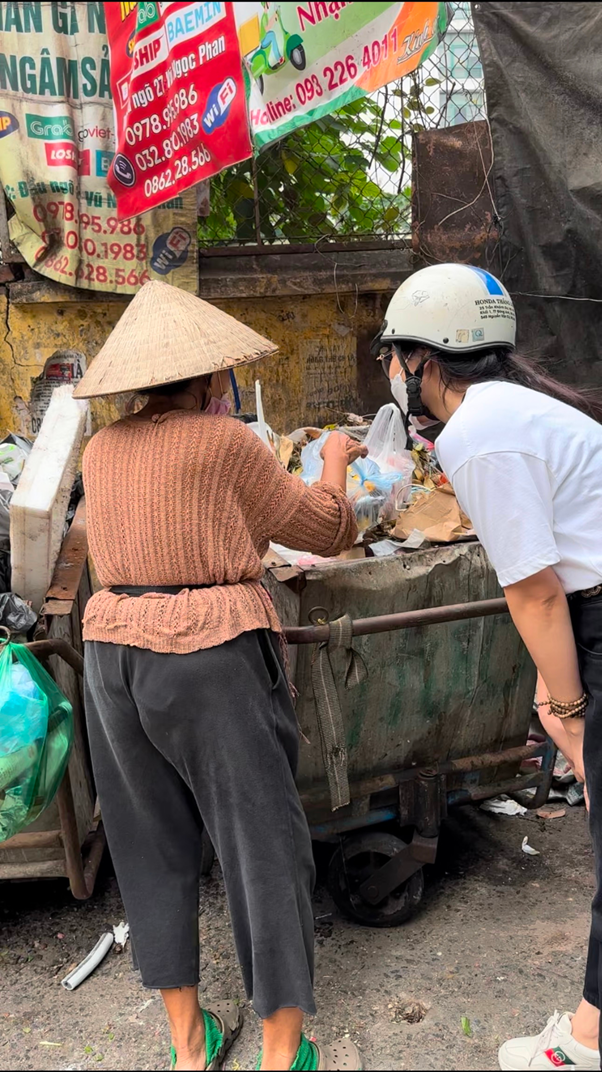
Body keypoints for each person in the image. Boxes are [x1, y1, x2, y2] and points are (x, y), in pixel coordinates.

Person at [73, 280, 364, 1072]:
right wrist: (335, 460)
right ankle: (280, 1049)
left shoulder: (102, 450)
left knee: (150, 845)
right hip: (209, 658)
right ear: (208, 378)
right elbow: (326, 528)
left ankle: (189, 1048)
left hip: (112, 662)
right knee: (261, 843)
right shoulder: (226, 440)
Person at [372, 263, 602, 1072]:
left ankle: (584, 1043)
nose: (395, 374)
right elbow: (560, 567)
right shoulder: (520, 409)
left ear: (428, 360)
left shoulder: (477, 432)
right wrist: (554, 684)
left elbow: (536, 591)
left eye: (397, 356)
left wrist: (570, 717)